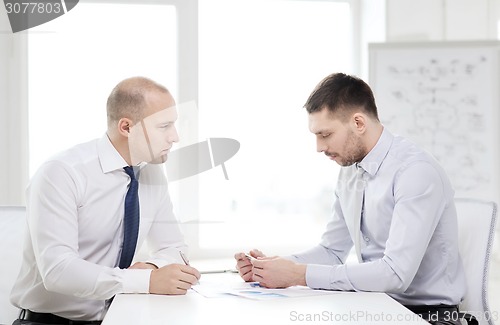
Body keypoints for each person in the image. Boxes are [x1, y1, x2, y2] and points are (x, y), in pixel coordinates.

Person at [235, 73, 466, 325]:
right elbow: (332, 251)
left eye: (325, 135)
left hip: (428, 316)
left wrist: (298, 275)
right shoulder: (350, 172)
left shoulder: (415, 172)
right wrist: (272, 268)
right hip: (374, 305)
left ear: (358, 123)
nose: (318, 147)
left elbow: (395, 274)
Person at [11, 77, 200, 325]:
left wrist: (151, 267)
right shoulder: (61, 173)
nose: (175, 137)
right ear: (126, 127)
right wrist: (146, 281)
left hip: (117, 318)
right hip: (49, 322)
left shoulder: (151, 172)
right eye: (164, 126)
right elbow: (58, 271)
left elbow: (175, 248)